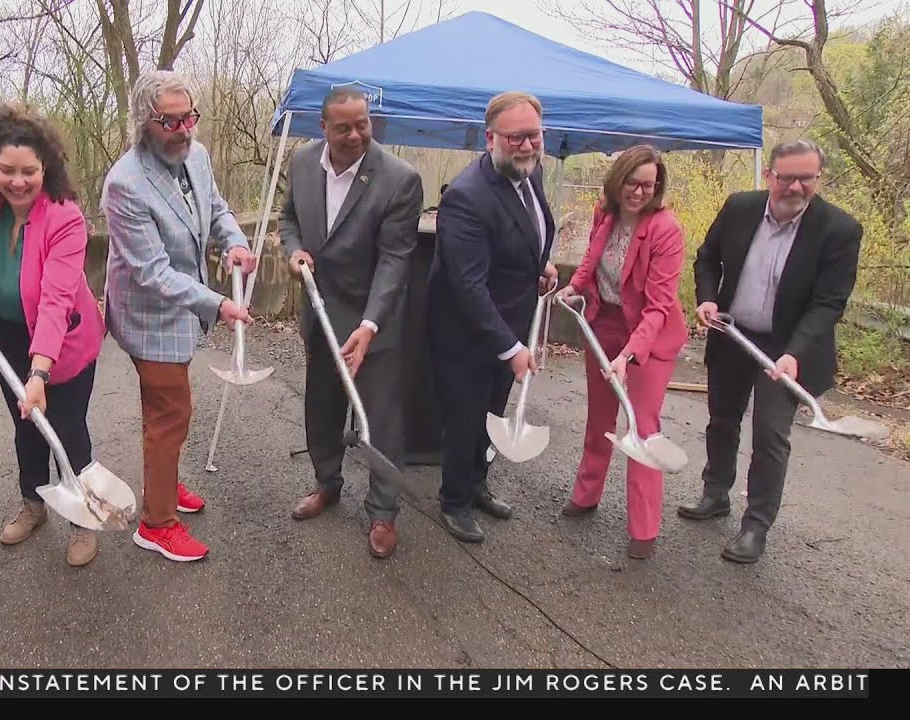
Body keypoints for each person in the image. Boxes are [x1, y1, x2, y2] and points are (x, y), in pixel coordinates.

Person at [680, 139, 862, 563]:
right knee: (722, 420)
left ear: (818, 178)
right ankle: (715, 493)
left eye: (806, 178)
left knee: (770, 436)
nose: (796, 187)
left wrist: (795, 352)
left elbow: (829, 303)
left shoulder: (839, 230)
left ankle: (756, 525)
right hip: (733, 335)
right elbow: (707, 258)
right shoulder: (740, 207)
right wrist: (707, 298)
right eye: (787, 178)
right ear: (769, 175)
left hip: (788, 351)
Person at [101, 69, 255, 562]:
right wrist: (220, 304)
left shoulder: (197, 154)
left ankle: (162, 484)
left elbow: (216, 207)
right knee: (170, 415)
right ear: (143, 124)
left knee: (166, 411)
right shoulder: (125, 185)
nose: (185, 130)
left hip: (182, 306)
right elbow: (153, 273)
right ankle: (157, 523)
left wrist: (234, 242)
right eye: (170, 122)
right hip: (149, 314)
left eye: (189, 117)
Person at [0, 103, 105, 568]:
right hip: (7, 338)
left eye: (28, 171)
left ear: (45, 168)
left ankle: (83, 518)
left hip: (62, 347)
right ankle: (33, 503)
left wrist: (39, 374)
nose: (17, 181)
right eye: (7, 171)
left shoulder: (65, 218)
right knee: (25, 426)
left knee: (66, 430)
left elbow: (55, 301)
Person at [278, 86, 424, 558]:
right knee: (321, 406)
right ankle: (326, 483)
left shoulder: (399, 179)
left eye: (363, 124)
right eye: (344, 128)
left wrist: (370, 324)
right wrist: (293, 251)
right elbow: (288, 219)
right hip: (320, 313)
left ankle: (383, 511)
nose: (356, 135)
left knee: (379, 418)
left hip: (372, 321)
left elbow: (395, 261)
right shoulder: (303, 162)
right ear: (323, 127)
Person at [425, 90, 559, 543]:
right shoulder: (467, 196)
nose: (527, 145)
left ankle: (477, 484)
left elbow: (524, 231)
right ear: (491, 138)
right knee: (465, 421)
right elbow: (467, 286)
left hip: (510, 323)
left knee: (492, 415)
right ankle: (454, 501)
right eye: (516, 137)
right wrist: (511, 348)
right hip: (466, 333)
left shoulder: (530, 172)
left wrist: (539, 263)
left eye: (534, 135)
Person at [555, 144, 688, 560]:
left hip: (650, 335)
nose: (639, 192)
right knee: (599, 418)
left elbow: (659, 306)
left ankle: (643, 529)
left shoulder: (666, 230)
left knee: (641, 425)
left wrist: (628, 356)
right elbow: (591, 259)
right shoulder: (604, 213)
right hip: (605, 323)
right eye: (632, 183)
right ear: (618, 182)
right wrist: (575, 287)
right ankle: (586, 494)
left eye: (649, 185)